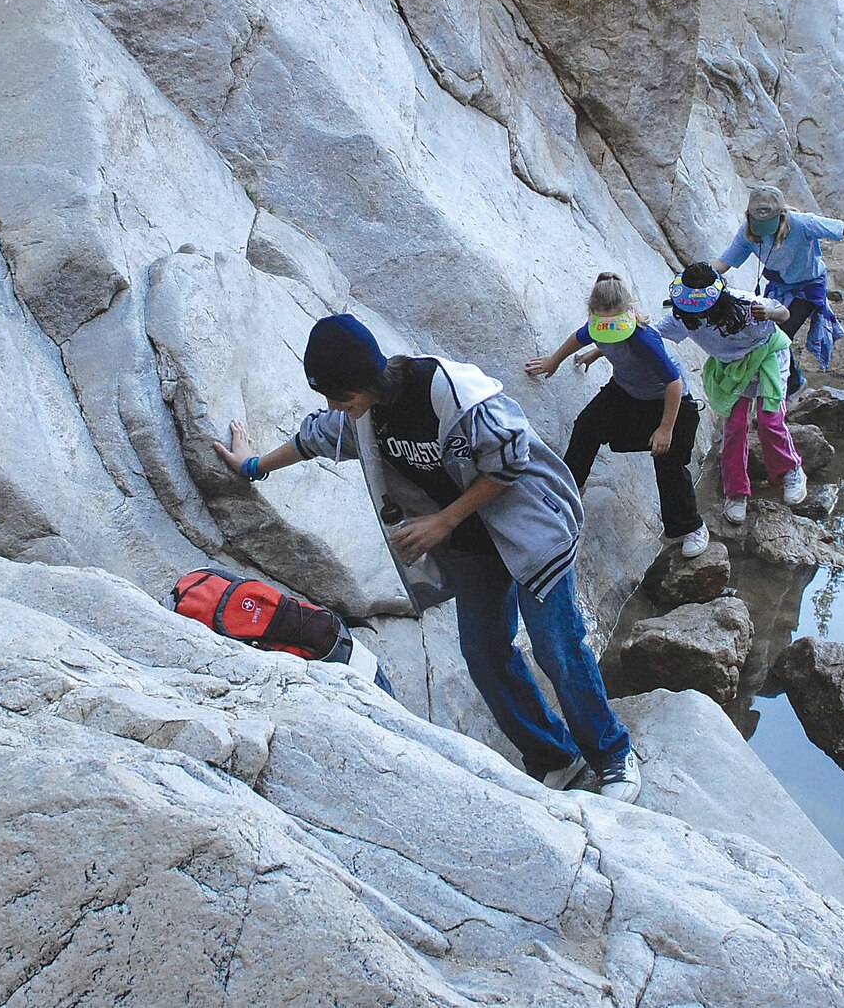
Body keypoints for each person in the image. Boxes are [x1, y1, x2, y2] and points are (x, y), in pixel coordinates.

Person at [211, 314, 642, 802]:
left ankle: (613, 755)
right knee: (483, 651)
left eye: (338, 396)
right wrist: (252, 466)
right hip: (475, 545)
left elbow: (511, 460)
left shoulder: (452, 394)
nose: (335, 408)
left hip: (530, 529)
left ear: (366, 380)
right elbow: (312, 439)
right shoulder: (362, 413)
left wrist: (444, 521)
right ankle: (554, 756)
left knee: (556, 646)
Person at [526, 273, 708, 560]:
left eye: (616, 324)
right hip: (626, 390)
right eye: (603, 325)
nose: (609, 328)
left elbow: (673, 383)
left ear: (629, 312)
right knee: (587, 427)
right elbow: (579, 337)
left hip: (669, 401)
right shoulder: (599, 327)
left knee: (668, 459)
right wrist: (555, 360)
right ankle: (569, 493)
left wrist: (665, 428)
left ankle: (691, 526)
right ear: (593, 313)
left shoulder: (642, 337)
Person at [712, 183, 844, 393]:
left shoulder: (803, 224)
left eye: (768, 224)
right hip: (779, 286)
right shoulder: (747, 233)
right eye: (758, 223)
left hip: (808, 287)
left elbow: (843, 227)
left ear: (781, 216)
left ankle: (791, 386)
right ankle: (788, 383)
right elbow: (723, 264)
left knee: (780, 335)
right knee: (766, 334)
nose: (763, 229)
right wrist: (695, 277)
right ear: (749, 216)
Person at [653, 264, 806, 516]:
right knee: (734, 428)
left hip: (767, 358)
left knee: (770, 420)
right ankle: (736, 493)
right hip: (732, 369)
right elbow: (651, 334)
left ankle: (791, 470)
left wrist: (769, 311)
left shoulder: (744, 304)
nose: (699, 314)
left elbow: (784, 313)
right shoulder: (682, 318)